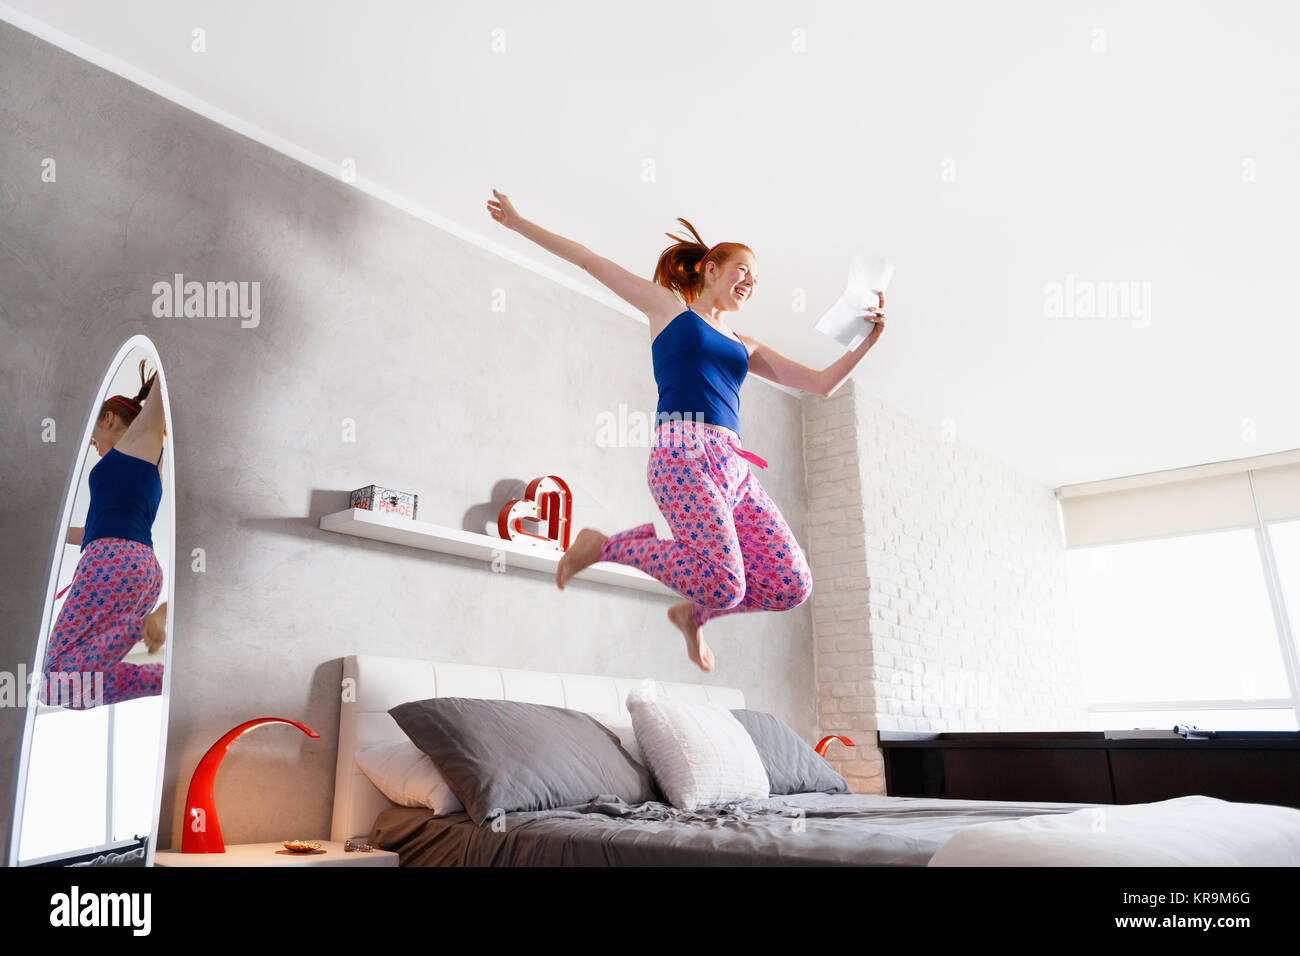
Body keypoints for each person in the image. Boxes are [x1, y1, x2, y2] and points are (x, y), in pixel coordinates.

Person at [486, 190, 886, 671]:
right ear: (711, 269)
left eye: (756, 281)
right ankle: (605, 545)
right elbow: (592, 262)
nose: (750, 283)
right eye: (743, 270)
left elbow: (821, 385)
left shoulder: (745, 344)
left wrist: (869, 338)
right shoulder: (669, 311)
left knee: (791, 584)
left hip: (734, 468)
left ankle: (693, 615)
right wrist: (519, 223)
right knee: (727, 582)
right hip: (682, 457)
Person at [41, 360, 168, 709]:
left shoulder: (141, 442)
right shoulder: (141, 458)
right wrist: (53, 534)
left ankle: (144, 628)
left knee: (52, 681)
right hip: (131, 567)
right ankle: (162, 678)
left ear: (108, 419)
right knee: (76, 690)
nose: (94, 446)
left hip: (112, 565)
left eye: (94, 438)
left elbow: (165, 381)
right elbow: (100, 527)